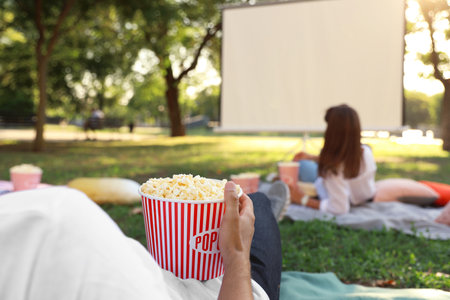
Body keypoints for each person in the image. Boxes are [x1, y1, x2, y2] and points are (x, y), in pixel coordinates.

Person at [0, 181, 282, 300]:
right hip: (228, 287)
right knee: (258, 202)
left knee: (255, 202)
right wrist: (235, 253)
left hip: (158, 271)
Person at [289, 104, 377, 215]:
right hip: (363, 196)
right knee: (304, 162)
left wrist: (302, 199)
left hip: (326, 187)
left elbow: (339, 208)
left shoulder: (333, 171)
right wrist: (312, 157)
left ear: (332, 133)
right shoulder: (366, 151)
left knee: (302, 166)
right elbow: (344, 158)